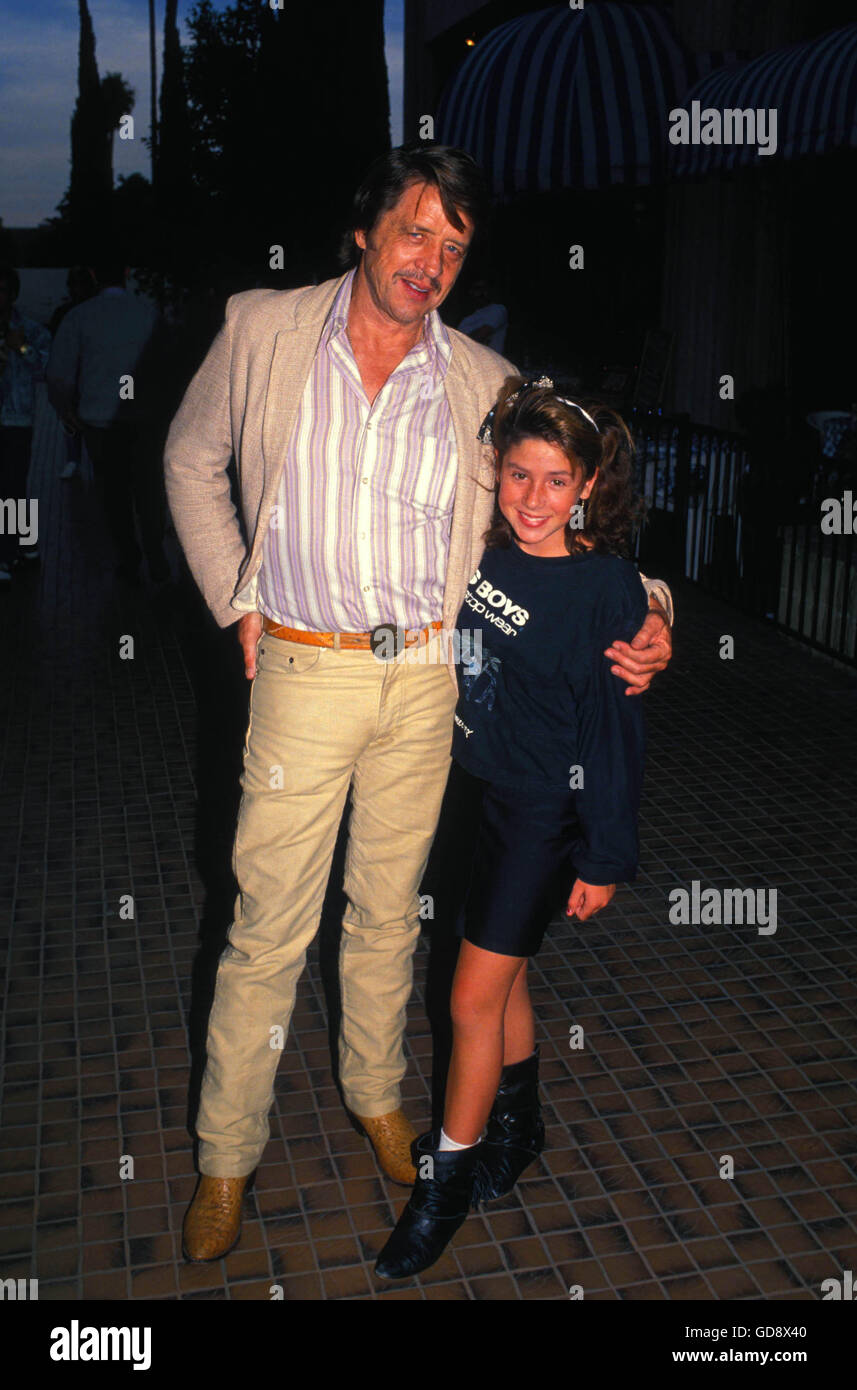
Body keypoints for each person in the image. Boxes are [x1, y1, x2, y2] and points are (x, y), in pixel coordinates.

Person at [162, 142, 673, 1264]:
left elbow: (566, 512)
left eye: (452, 247)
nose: (429, 261)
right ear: (365, 229)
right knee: (265, 927)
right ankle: (225, 1154)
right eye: (414, 232)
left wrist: (654, 610)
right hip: (301, 668)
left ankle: (378, 1099)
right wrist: (233, 596)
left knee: (390, 914)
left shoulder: (484, 381)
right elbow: (192, 458)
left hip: (432, 680)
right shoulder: (263, 329)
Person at [375, 377, 652, 1278]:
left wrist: (604, 855)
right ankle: (520, 1124)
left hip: (541, 813)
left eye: (554, 481)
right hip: (474, 794)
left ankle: (444, 1184)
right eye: (517, 476)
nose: (531, 500)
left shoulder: (605, 588)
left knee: (466, 999)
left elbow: (614, 731)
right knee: (498, 971)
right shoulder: (487, 556)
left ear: (587, 487)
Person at [46, 263, 170, 585]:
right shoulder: (148, 312)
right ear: (127, 275)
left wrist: (65, 410)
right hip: (145, 419)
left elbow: (59, 372)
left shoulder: (80, 316)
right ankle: (157, 553)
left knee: (114, 496)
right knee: (149, 490)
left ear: (95, 277)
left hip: (100, 423)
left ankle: (128, 558)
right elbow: (166, 364)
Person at [0, 266, 51, 585]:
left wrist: (22, 348)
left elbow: (46, 369)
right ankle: (24, 546)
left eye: (3, 290)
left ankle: (9, 554)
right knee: (10, 488)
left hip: (18, 420)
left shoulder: (31, 329)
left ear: (14, 294)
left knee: (13, 487)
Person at [48, 266, 97, 481]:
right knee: (70, 421)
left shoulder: (97, 312)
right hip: (72, 377)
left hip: (93, 376)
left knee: (94, 423)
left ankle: (92, 462)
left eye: (82, 285)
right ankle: (73, 460)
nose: (78, 290)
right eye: (74, 285)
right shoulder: (63, 313)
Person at [458, 279, 508, 354]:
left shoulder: (497, 309)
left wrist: (460, 340)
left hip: (488, 362)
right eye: (476, 289)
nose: (480, 293)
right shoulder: (466, 319)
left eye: (482, 289)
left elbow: (481, 335)